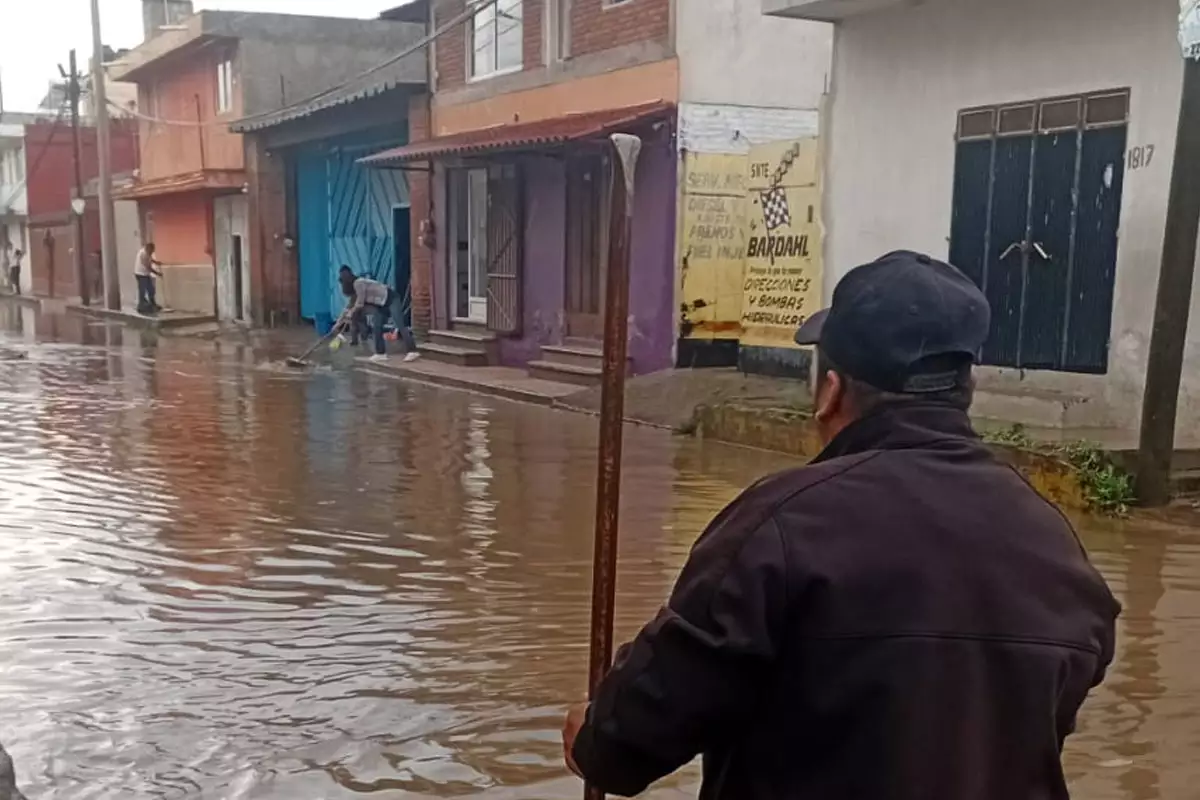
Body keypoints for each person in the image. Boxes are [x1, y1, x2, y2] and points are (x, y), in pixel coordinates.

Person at [563, 251, 1119, 800]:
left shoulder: (779, 526)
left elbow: (627, 745)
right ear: (964, 391)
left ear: (831, 391)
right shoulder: (1056, 544)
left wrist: (591, 733)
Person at [336, 265, 418, 363]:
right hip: (380, 304)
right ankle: (380, 353)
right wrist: (337, 323)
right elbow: (348, 307)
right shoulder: (355, 292)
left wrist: (351, 313)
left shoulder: (358, 283)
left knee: (400, 324)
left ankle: (412, 351)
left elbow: (360, 303)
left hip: (391, 298)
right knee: (377, 327)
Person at [134, 243, 164, 314]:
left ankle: (153, 304)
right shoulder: (143, 254)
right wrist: (158, 273)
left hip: (145, 274)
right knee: (142, 290)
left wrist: (156, 262)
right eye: (151, 251)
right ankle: (141, 306)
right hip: (140, 274)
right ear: (148, 248)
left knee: (151, 289)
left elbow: (150, 258)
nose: (152, 252)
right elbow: (148, 267)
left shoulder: (147, 252)